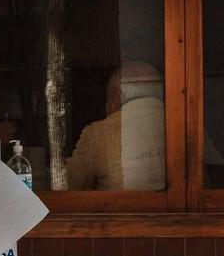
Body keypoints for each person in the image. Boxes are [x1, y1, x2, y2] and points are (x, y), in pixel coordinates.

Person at [64, 60, 166, 192]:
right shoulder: (180, 123)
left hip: (120, 212)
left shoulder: (97, 134)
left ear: (116, 96)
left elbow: (70, 186)